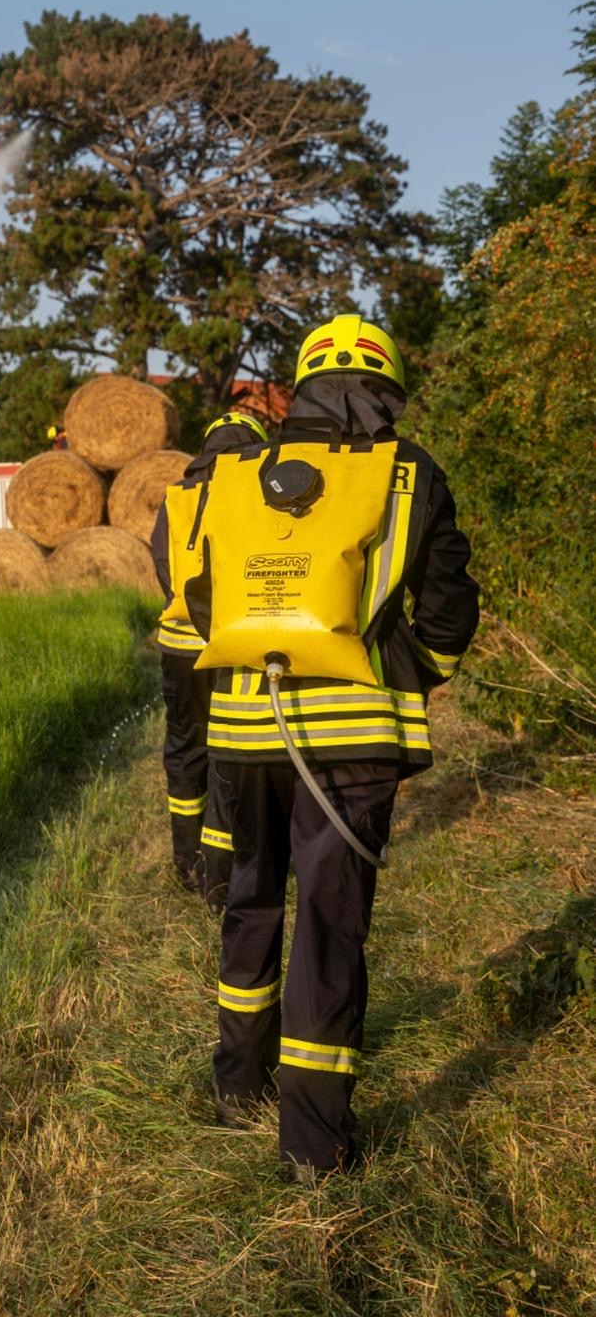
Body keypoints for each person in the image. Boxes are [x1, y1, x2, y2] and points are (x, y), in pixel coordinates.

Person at [186, 315, 479, 1182]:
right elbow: (451, 606)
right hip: (353, 742)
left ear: (302, 386)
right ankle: (314, 1149)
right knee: (327, 925)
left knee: (251, 901)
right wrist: (412, 671)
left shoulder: (241, 471)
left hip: (246, 729)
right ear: (386, 388)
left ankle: (237, 1084)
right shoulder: (409, 471)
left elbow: (199, 597)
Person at [150, 411, 268, 906]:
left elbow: (162, 563)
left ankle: (185, 858)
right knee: (228, 753)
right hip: (229, 644)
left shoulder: (176, 497)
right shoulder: (257, 491)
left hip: (178, 643)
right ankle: (219, 878)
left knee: (184, 749)